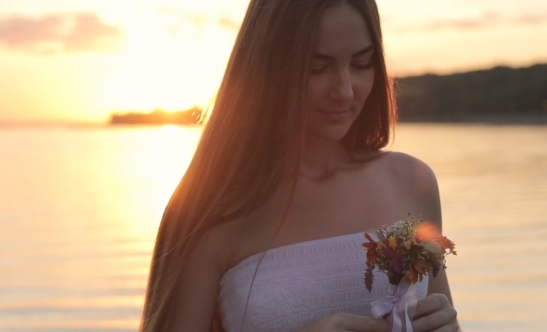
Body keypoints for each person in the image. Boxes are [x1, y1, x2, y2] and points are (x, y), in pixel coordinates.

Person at [141, 0, 459, 331]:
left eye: (362, 63)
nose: (345, 90)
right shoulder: (209, 212)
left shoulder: (410, 182)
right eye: (316, 69)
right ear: (264, 69)